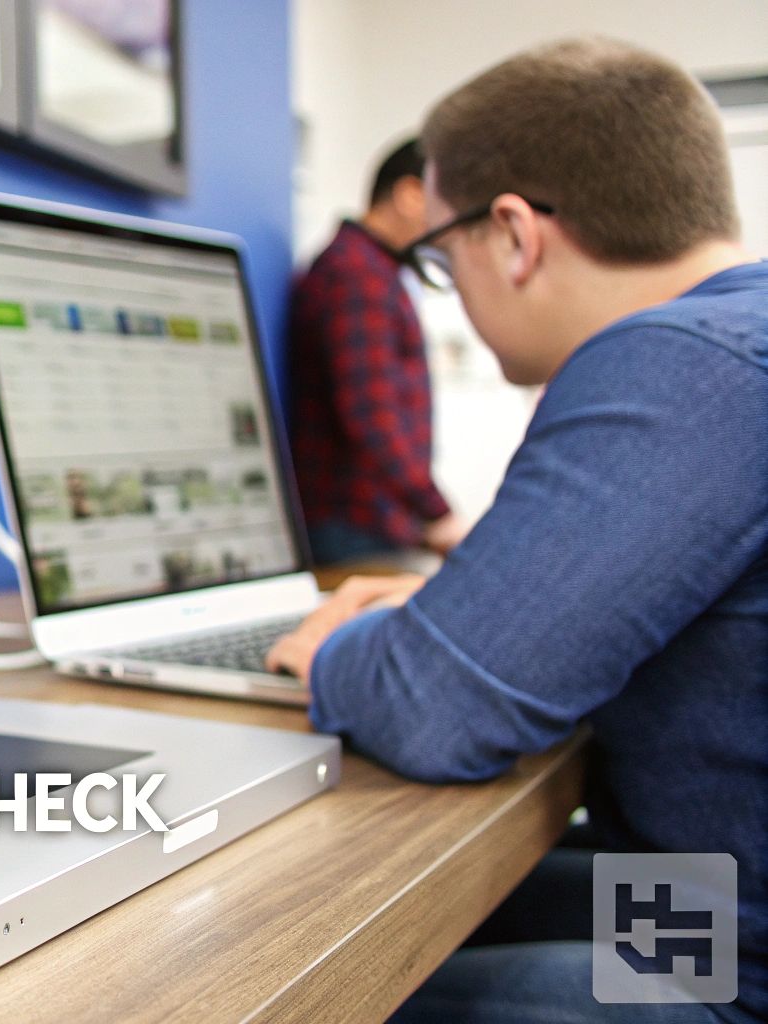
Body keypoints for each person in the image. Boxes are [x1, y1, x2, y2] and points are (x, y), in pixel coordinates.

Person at [266, 38, 766, 1024]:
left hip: (725, 969)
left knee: (286, 995)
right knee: (430, 921)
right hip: (717, 891)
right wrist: (457, 604)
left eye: (443, 259)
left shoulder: (675, 363)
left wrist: (340, 642)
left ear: (510, 234)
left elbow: (432, 707)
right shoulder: (737, 335)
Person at [289, 137, 464, 565]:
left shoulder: (376, 271)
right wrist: (437, 512)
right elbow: (370, 412)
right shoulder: (358, 275)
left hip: (372, 521)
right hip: (353, 526)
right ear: (409, 195)